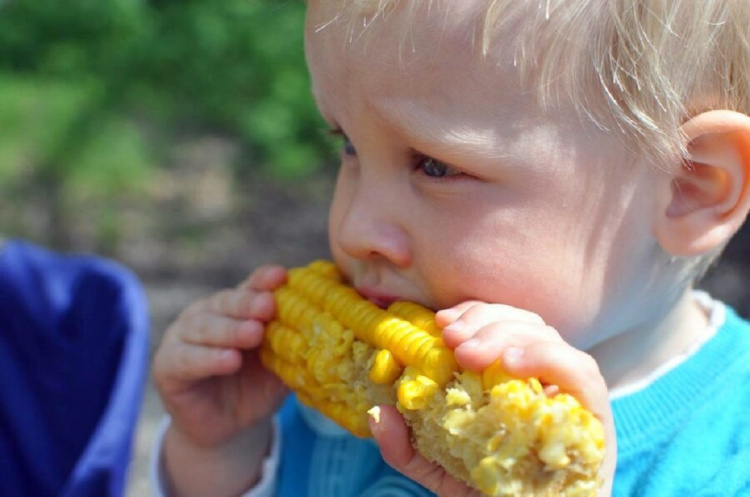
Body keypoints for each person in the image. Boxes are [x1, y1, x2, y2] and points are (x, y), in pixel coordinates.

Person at [150, 1, 750, 495]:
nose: (355, 228)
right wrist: (218, 454)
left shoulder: (729, 460)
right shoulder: (309, 413)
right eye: (349, 146)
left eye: (435, 165)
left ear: (688, 186)